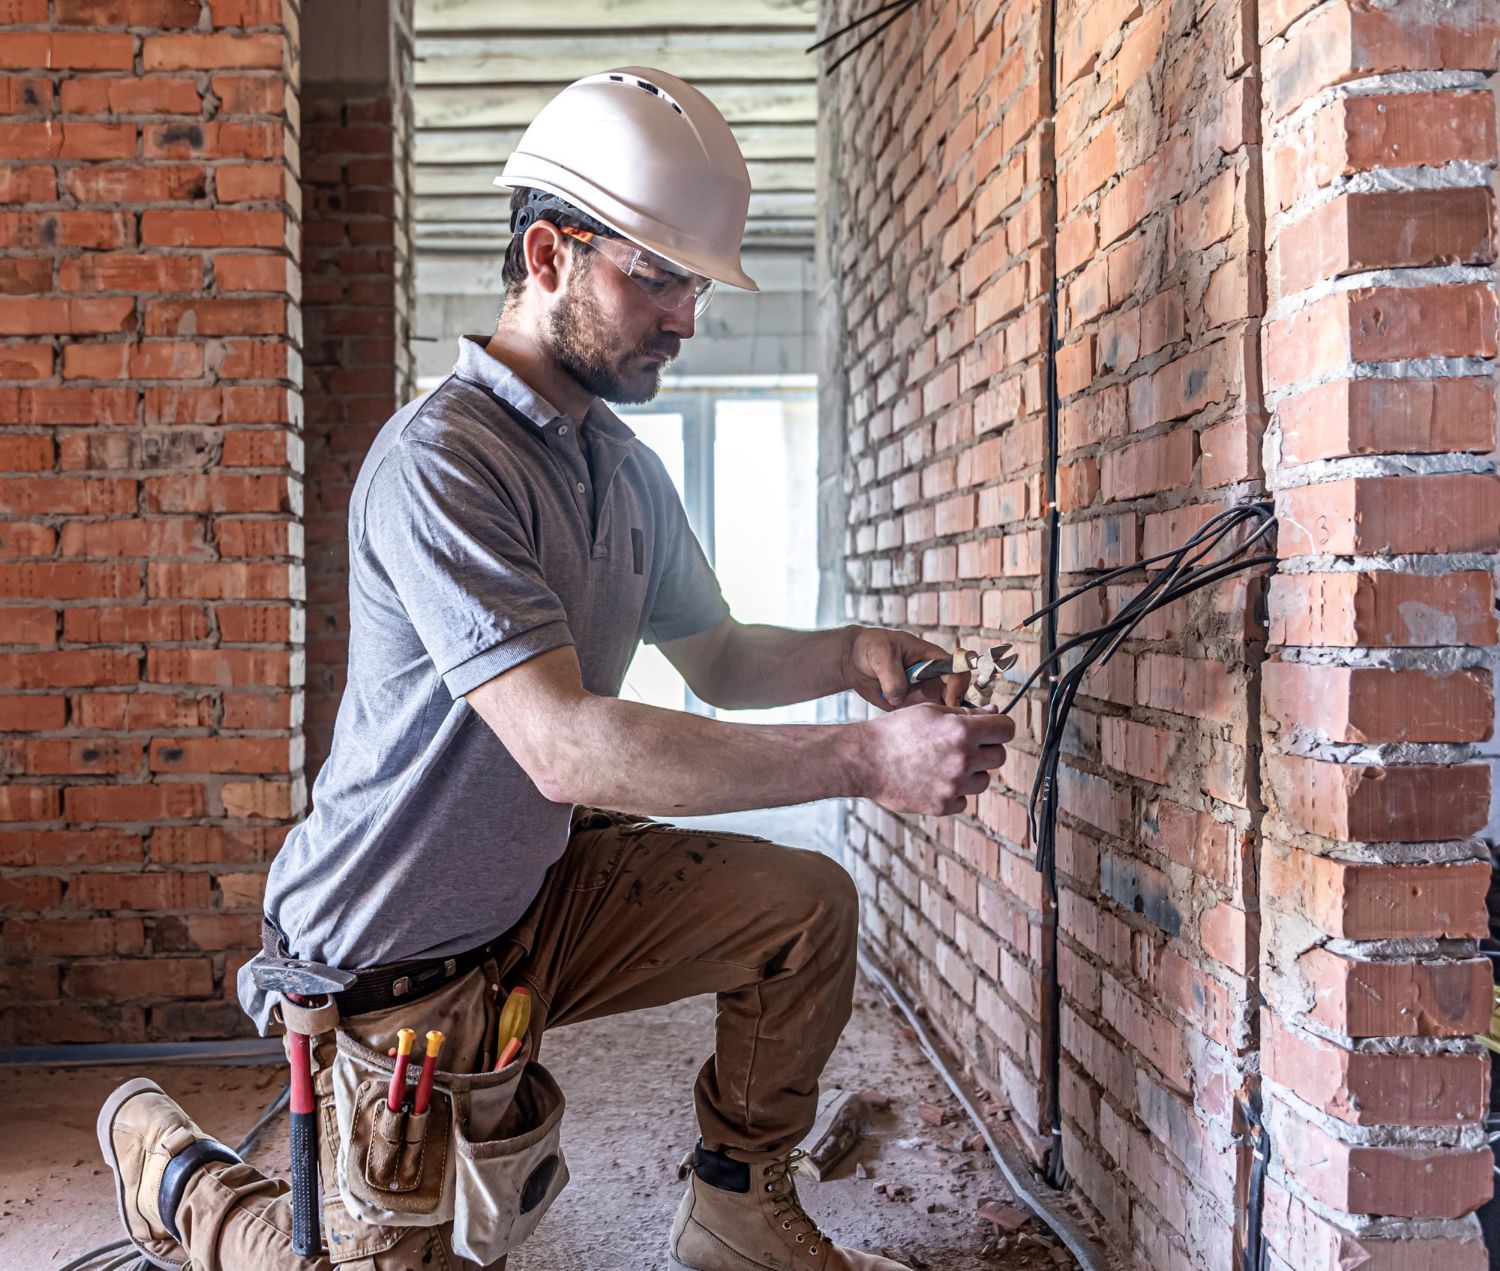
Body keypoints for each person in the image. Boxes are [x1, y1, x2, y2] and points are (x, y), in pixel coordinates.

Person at [96, 67, 1015, 1271]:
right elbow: (560, 739)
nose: (688, 316)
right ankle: (176, 1166)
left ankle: (737, 1205)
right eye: (660, 276)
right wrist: (864, 759)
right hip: (387, 957)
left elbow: (722, 655)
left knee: (804, 909)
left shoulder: (624, 471)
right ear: (548, 254)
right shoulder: (443, 465)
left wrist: (849, 654)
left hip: (537, 903)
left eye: (696, 284)